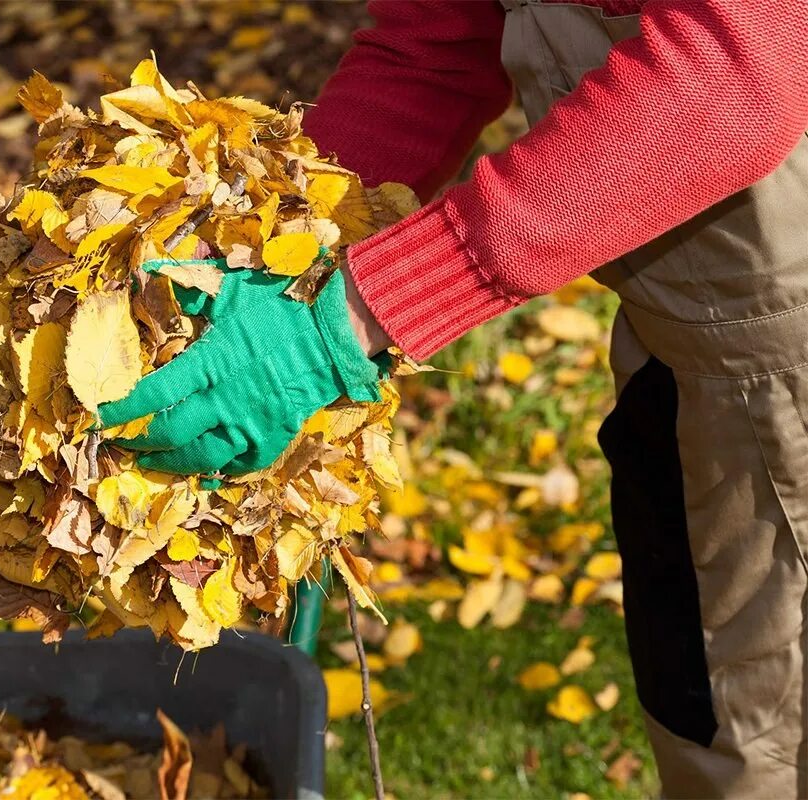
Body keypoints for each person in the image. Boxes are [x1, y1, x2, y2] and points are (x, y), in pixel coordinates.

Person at [100, 2, 808, 796]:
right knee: (701, 708)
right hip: (691, 341)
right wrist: (273, 232)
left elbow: (739, 68)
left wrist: (357, 312)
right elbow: (435, 41)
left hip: (785, 373)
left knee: (765, 748)